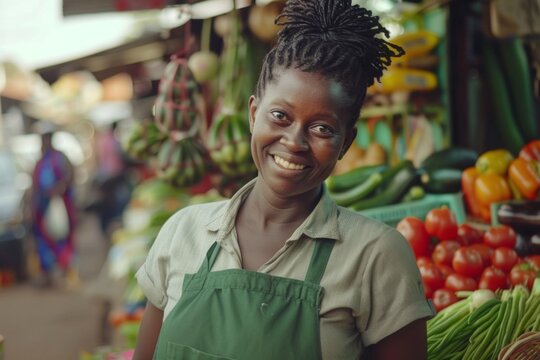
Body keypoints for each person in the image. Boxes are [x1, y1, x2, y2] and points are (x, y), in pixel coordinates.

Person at [133, 0, 435, 358]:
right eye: (280, 116)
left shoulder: (376, 255)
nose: (294, 142)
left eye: (322, 128)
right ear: (253, 114)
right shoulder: (182, 233)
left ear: (346, 143)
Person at [30, 123, 77, 287]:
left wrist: (58, 190)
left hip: (60, 206)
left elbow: (70, 177)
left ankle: (65, 270)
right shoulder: (40, 162)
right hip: (43, 209)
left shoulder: (60, 158)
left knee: (62, 238)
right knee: (44, 241)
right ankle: (47, 275)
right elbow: (34, 186)